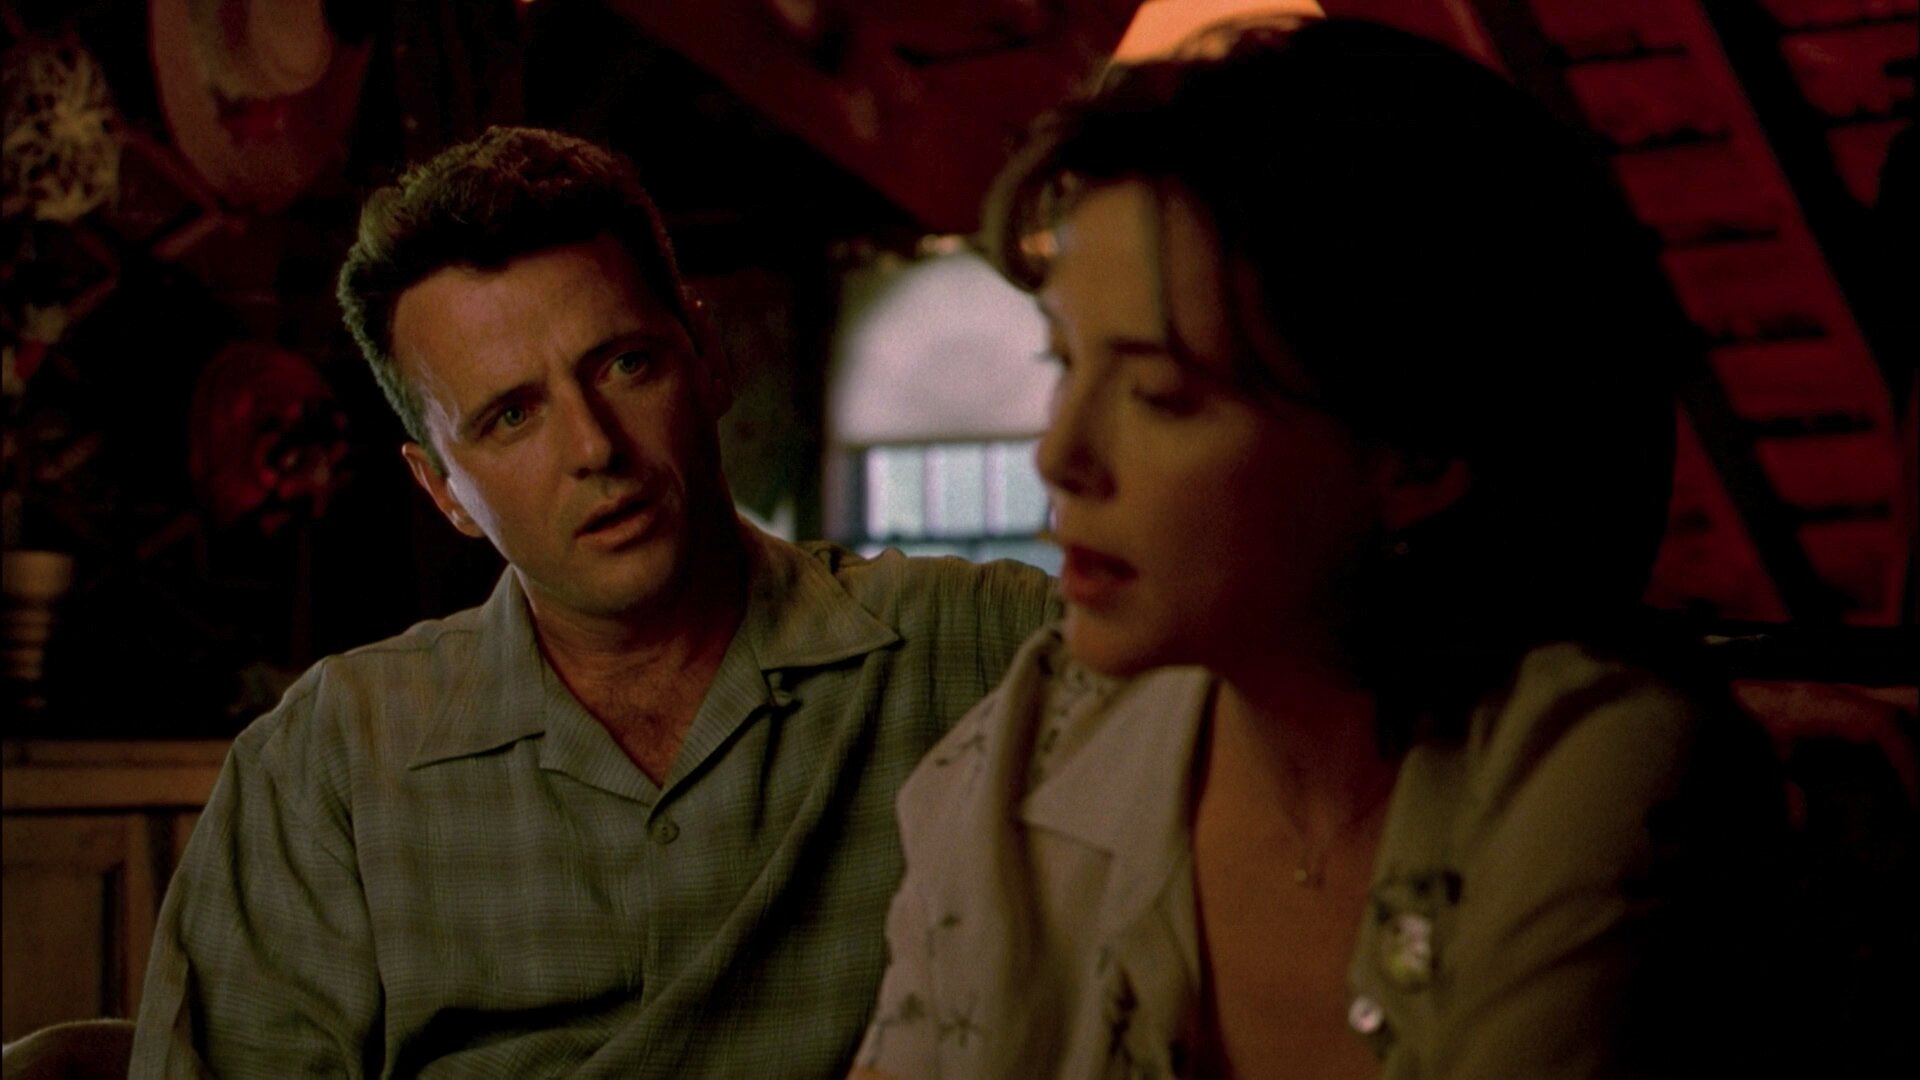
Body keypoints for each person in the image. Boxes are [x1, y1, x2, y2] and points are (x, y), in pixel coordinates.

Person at [854, 17, 1790, 1079]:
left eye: (1162, 395)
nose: (1061, 455)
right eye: (1066, 364)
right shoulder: (1024, 749)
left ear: (1414, 453)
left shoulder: (1581, 772)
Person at [127, 126, 1056, 1077]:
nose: (595, 447)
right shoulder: (326, 768)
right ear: (443, 491)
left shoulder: (978, 648)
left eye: (625, 365)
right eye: (512, 416)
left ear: (707, 357)